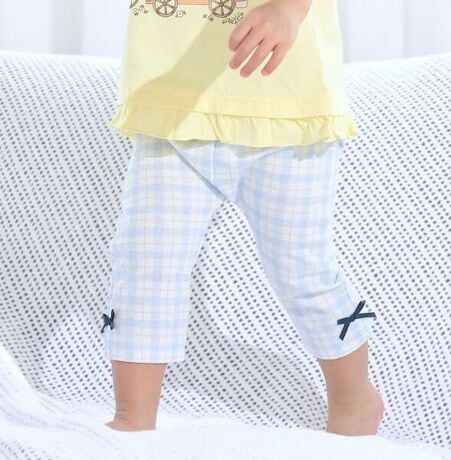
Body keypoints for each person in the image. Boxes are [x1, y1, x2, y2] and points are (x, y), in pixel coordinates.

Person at [101, 0, 384, 435]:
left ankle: (354, 400)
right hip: (173, 103)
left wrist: (290, 9)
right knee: (146, 263)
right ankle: (131, 418)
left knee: (302, 271)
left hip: (290, 109)